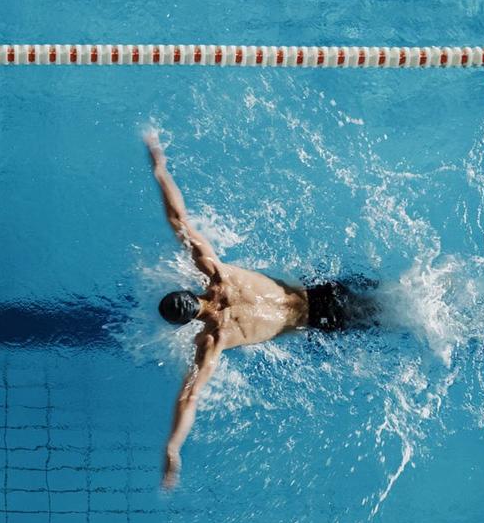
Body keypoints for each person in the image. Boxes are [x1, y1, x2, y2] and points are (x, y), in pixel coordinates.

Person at [145, 130, 377, 489]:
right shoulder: (217, 273)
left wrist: (173, 447)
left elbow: (189, 397)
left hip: (323, 322)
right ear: (189, 289)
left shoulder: (213, 339)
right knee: (391, 298)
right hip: (324, 292)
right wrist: (160, 167)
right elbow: (180, 220)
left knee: (389, 320)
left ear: (185, 323)